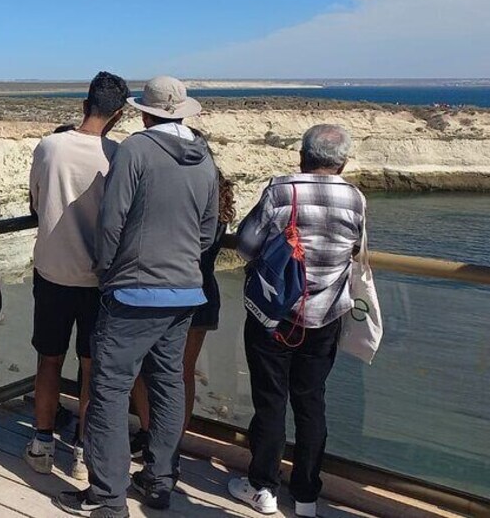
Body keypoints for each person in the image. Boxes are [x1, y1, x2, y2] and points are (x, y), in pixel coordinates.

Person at [56, 76, 219, 517]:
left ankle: (108, 497)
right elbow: (208, 232)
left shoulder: (136, 150)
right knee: (168, 385)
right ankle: (160, 481)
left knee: (109, 389)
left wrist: (109, 271)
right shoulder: (204, 158)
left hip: (134, 292)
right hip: (185, 292)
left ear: (145, 113)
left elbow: (112, 220)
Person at [228, 124, 364, 517]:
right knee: (311, 403)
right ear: (342, 162)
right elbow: (355, 247)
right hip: (325, 319)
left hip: (274, 317)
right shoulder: (355, 197)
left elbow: (247, 245)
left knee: (270, 402)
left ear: (302, 156)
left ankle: (263, 487)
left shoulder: (281, 191)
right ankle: (306, 496)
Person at [26, 72, 130, 481]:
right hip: (98, 280)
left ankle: (41, 443)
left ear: (85, 103)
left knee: (48, 360)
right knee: (92, 367)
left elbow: (36, 201)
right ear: (118, 114)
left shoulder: (49, 147)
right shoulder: (118, 155)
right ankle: (84, 455)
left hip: (52, 272)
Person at [129, 162, 236, 465]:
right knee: (183, 373)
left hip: (169, 290)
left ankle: (151, 432)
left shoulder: (181, 197)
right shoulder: (217, 201)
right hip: (204, 294)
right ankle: (174, 439)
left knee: (140, 367)